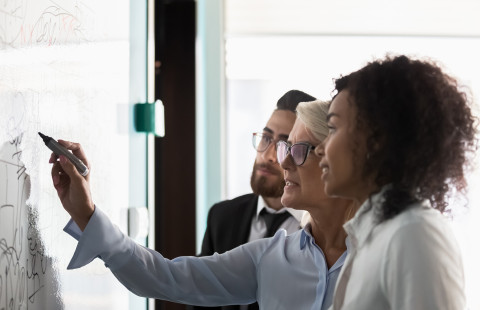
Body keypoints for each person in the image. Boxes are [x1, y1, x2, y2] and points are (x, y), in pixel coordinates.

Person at [49, 100, 356, 310]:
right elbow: (165, 277)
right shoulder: (271, 257)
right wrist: (86, 214)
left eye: (298, 149)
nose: (283, 160)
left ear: (337, 160)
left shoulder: (384, 253)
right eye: (282, 147)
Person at [316, 55, 476, 309]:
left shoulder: (413, 233)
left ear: (376, 138)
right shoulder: (374, 234)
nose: (320, 149)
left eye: (333, 128)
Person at [197, 90, 314, 310]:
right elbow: (200, 295)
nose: (268, 155)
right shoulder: (222, 217)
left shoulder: (319, 229)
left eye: (285, 145)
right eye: (266, 138)